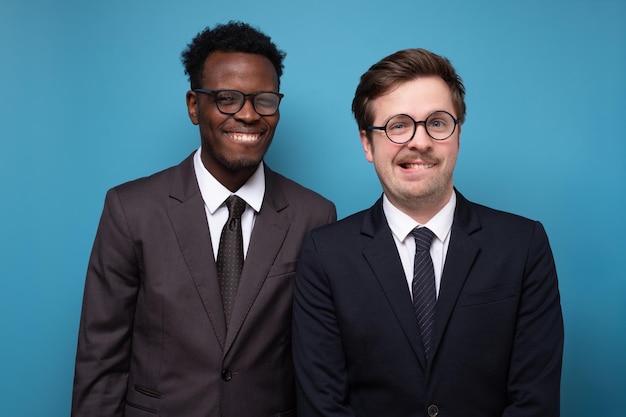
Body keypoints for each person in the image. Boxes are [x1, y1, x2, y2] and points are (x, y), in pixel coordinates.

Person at [71, 21, 336, 417]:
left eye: (264, 99)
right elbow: (100, 360)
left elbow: (319, 363)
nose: (248, 115)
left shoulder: (314, 215)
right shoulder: (131, 209)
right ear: (195, 106)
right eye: (227, 99)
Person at [292, 48, 563, 417]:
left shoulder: (523, 245)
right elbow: (324, 405)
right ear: (367, 143)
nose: (419, 142)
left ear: (458, 134)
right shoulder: (325, 254)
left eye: (436, 123)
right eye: (398, 125)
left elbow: (535, 401)